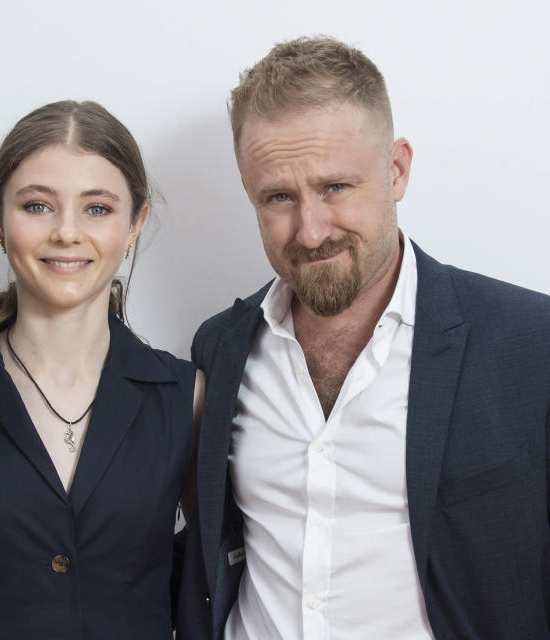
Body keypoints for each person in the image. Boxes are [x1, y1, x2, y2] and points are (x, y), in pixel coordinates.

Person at [176, 36, 550, 640]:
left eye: (336, 188)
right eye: (279, 197)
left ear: (397, 170)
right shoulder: (218, 349)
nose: (312, 229)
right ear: (249, 191)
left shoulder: (530, 342)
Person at [0, 100, 204, 639]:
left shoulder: (185, 395)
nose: (67, 233)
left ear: (135, 223)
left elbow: (211, 574)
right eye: (37, 206)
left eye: (97, 208)